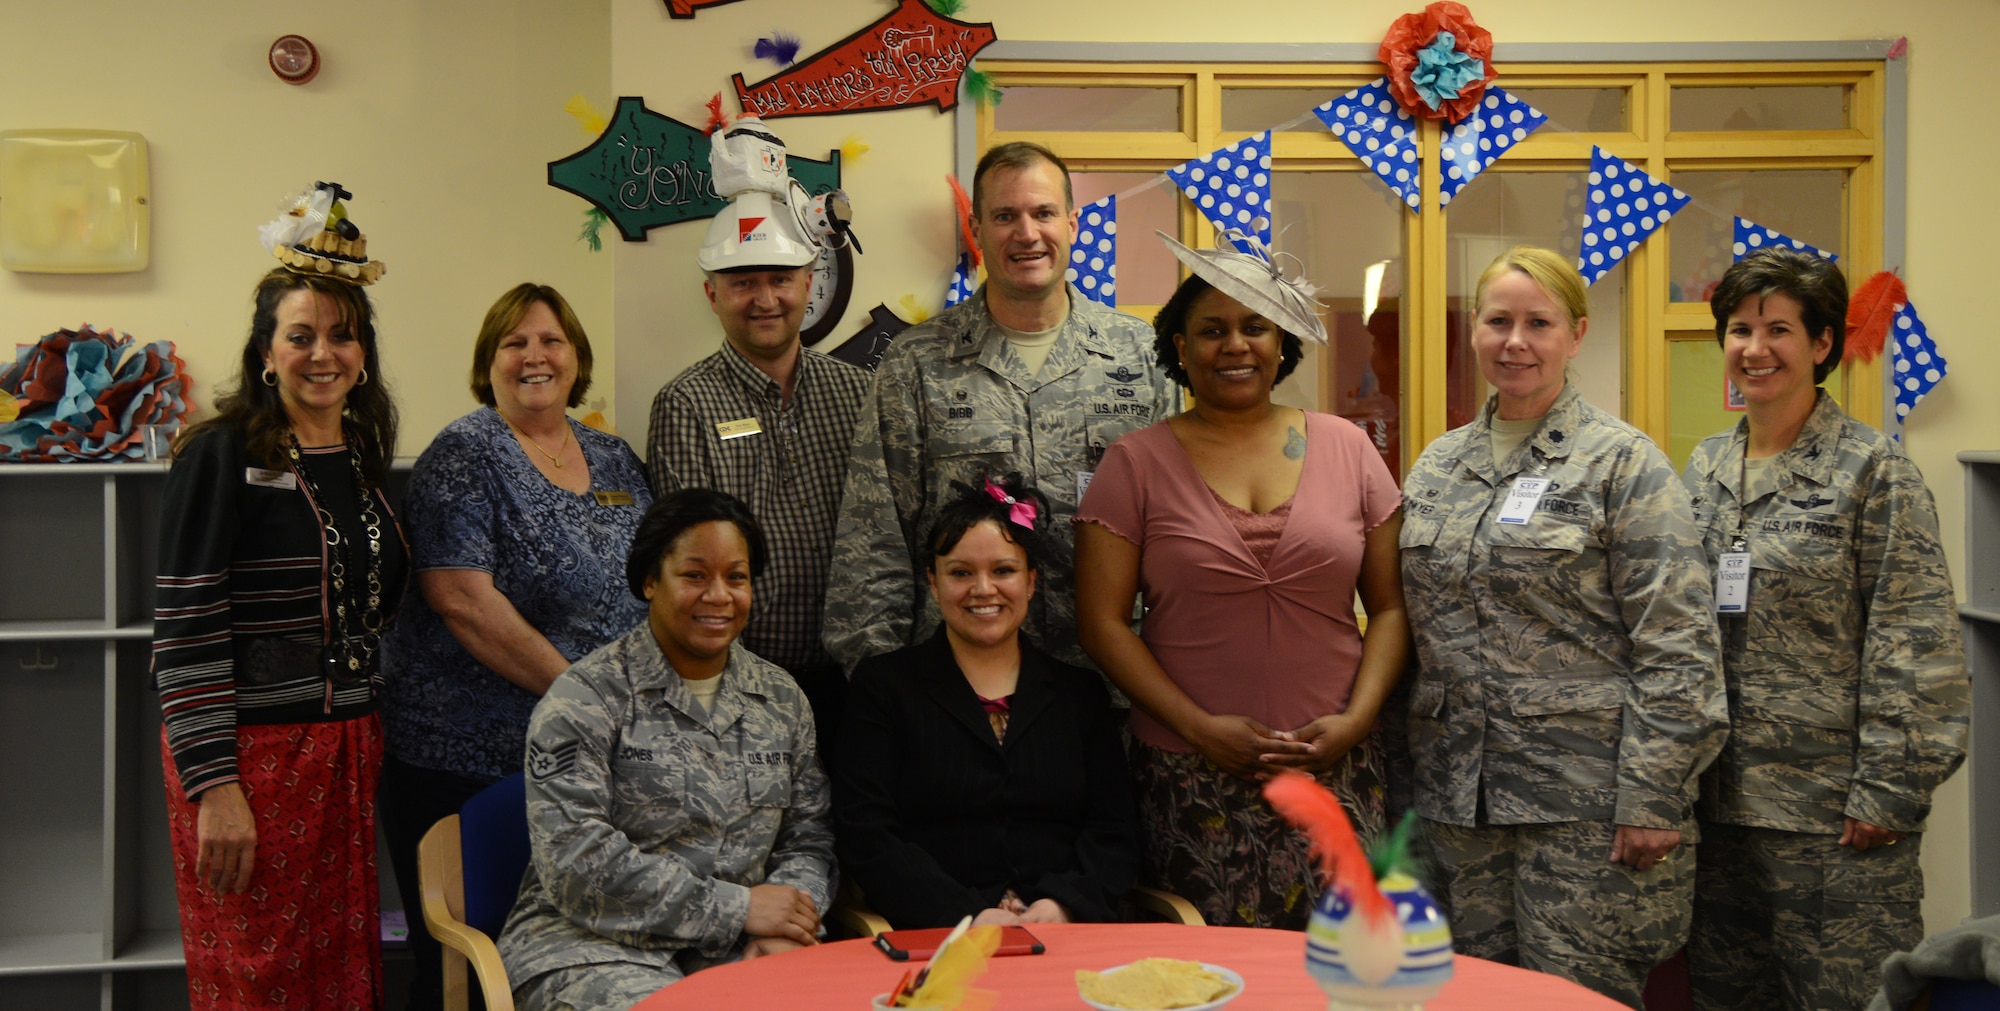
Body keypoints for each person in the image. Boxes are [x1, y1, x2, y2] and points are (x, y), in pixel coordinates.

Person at [1397, 246, 1726, 1007]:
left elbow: (1678, 644)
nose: (1516, 341)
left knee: (1576, 999)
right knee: (1472, 998)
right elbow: (1418, 635)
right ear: (1473, 330)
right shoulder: (1438, 466)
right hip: (1461, 805)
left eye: (1538, 322)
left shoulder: (1623, 465)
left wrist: (1653, 796)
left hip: (1587, 809)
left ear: (1575, 334)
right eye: (1498, 320)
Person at [1073, 229, 1408, 930]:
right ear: (1181, 348)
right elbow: (1101, 624)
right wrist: (1200, 729)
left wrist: (1356, 721)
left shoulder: (1347, 447)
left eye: (1255, 326)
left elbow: (1391, 607)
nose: (1235, 345)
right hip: (1188, 776)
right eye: (1212, 330)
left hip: (1335, 768)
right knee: (1211, 977)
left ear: (1282, 342)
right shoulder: (1134, 464)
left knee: (1340, 974)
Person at [1681, 247, 1968, 1011]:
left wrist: (1886, 792)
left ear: (1822, 345)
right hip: (1718, 819)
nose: (1755, 348)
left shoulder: (1875, 470)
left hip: (1836, 827)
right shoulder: (1706, 467)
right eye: (1740, 328)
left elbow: (1919, 645)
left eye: (1779, 328)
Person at [379, 283, 650, 1011]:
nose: (535, 355)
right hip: (462, 760)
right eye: (514, 342)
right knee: (462, 963)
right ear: (488, 363)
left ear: (577, 357)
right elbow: (463, 602)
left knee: (567, 949)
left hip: (584, 759)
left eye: (551, 340)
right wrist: (588, 698)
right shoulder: (464, 454)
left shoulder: (615, 457)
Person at [152, 243, 406, 1007]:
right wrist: (215, 783)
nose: (322, 353)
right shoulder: (220, 453)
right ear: (267, 352)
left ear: (362, 351)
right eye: (301, 335)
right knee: (259, 979)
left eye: (342, 334)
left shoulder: (359, 452)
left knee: (339, 971)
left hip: (346, 749)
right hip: (253, 760)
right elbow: (185, 622)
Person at [824, 142, 1175, 676]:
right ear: (977, 229)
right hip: (957, 689)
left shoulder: (1140, 354)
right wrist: (881, 686)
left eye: (1044, 213)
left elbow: (1174, 529)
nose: (1027, 233)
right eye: (1005, 216)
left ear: (1074, 223)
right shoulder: (917, 362)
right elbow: (875, 538)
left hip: (1110, 681)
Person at [499, 489, 834, 1011]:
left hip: (740, 946)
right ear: (650, 582)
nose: (719, 595)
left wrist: (788, 922)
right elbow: (575, 862)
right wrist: (738, 908)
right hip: (592, 947)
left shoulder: (781, 698)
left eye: (737, 577)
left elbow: (809, 839)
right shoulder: (586, 697)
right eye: (695, 576)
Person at [833, 475, 1140, 929]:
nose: (983, 589)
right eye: (960, 572)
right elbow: (868, 836)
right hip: (940, 938)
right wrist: (966, 914)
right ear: (932, 584)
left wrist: (1062, 904)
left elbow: (1115, 830)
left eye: (1003, 570)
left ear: (1031, 582)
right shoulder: (884, 688)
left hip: (1065, 934)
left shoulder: (1079, 693)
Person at [647, 162, 869, 759]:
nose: (765, 298)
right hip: (742, 688)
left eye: (780, 278)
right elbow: (689, 566)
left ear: (809, 281)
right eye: (743, 281)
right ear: (711, 293)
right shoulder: (685, 405)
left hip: (860, 683)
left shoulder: (859, 394)